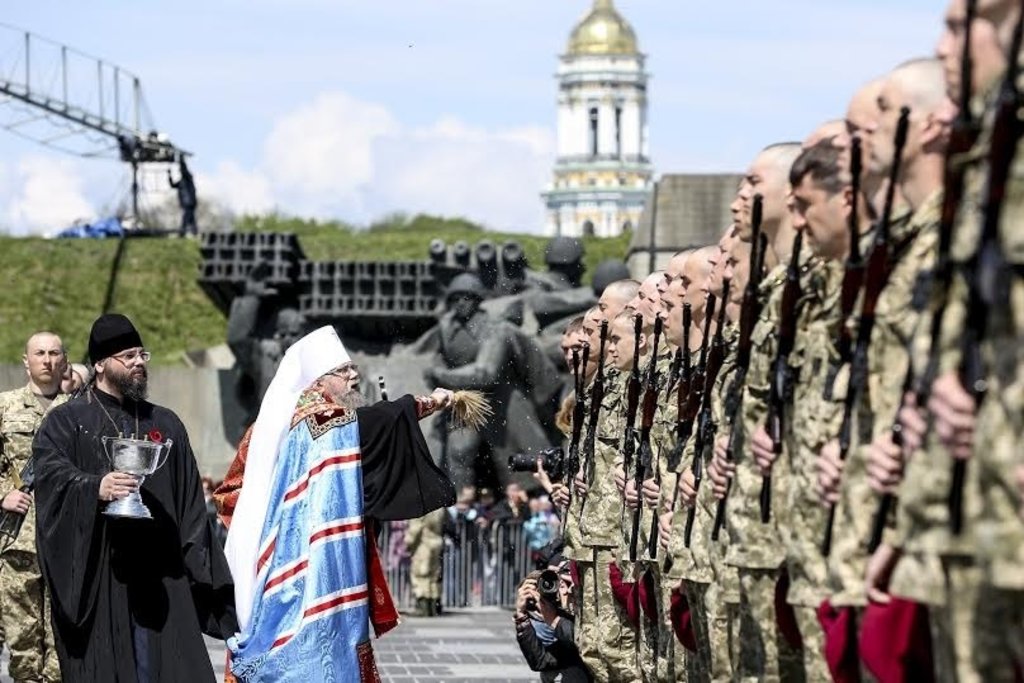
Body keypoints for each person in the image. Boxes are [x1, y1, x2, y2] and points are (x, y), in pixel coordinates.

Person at [214, 326, 457, 680]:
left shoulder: (275, 425)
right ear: (318, 381)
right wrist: (429, 402)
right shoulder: (317, 418)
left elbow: (230, 493)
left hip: (286, 556)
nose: (353, 376)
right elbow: (373, 424)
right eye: (344, 371)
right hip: (304, 564)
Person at [32, 314, 237, 681]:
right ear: (99, 364)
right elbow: (50, 476)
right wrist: (93, 487)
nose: (139, 362)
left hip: (162, 579)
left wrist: (215, 586)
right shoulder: (66, 422)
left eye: (142, 354)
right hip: (99, 580)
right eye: (127, 356)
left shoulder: (165, 423)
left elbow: (191, 507)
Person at [0, 332, 69, 682]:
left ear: (64, 360)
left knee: (63, 638)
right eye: (39, 353)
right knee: (22, 637)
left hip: (67, 540)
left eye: (54, 353)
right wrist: (2, 494)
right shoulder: (5, 406)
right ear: (26, 361)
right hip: (19, 539)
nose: (47, 360)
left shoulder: (81, 411)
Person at [514, 542, 591, 682]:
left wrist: (556, 621)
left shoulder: (591, 604)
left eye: (564, 576)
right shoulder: (554, 612)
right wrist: (521, 615)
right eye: (552, 577)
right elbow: (541, 661)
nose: (559, 585)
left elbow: (588, 645)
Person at [406, 507, 446, 617]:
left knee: (420, 575)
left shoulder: (421, 505)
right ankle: (434, 606)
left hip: (423, 543)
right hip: (436, 541)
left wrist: (408, 543)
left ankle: (423, 607)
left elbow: (416, 528)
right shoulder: (439, 506)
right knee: (433, 576)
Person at [168, 156, 198, 236]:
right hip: (186, 203)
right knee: (191, 220)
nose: (180, 172)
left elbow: (185, 171)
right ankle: (193, 232)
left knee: (186, 218)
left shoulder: (188, 179)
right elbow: (172, 185)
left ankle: (182, 233)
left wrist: (181, 161)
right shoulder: (181, 182)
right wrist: (169, 175)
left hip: (190, 202)